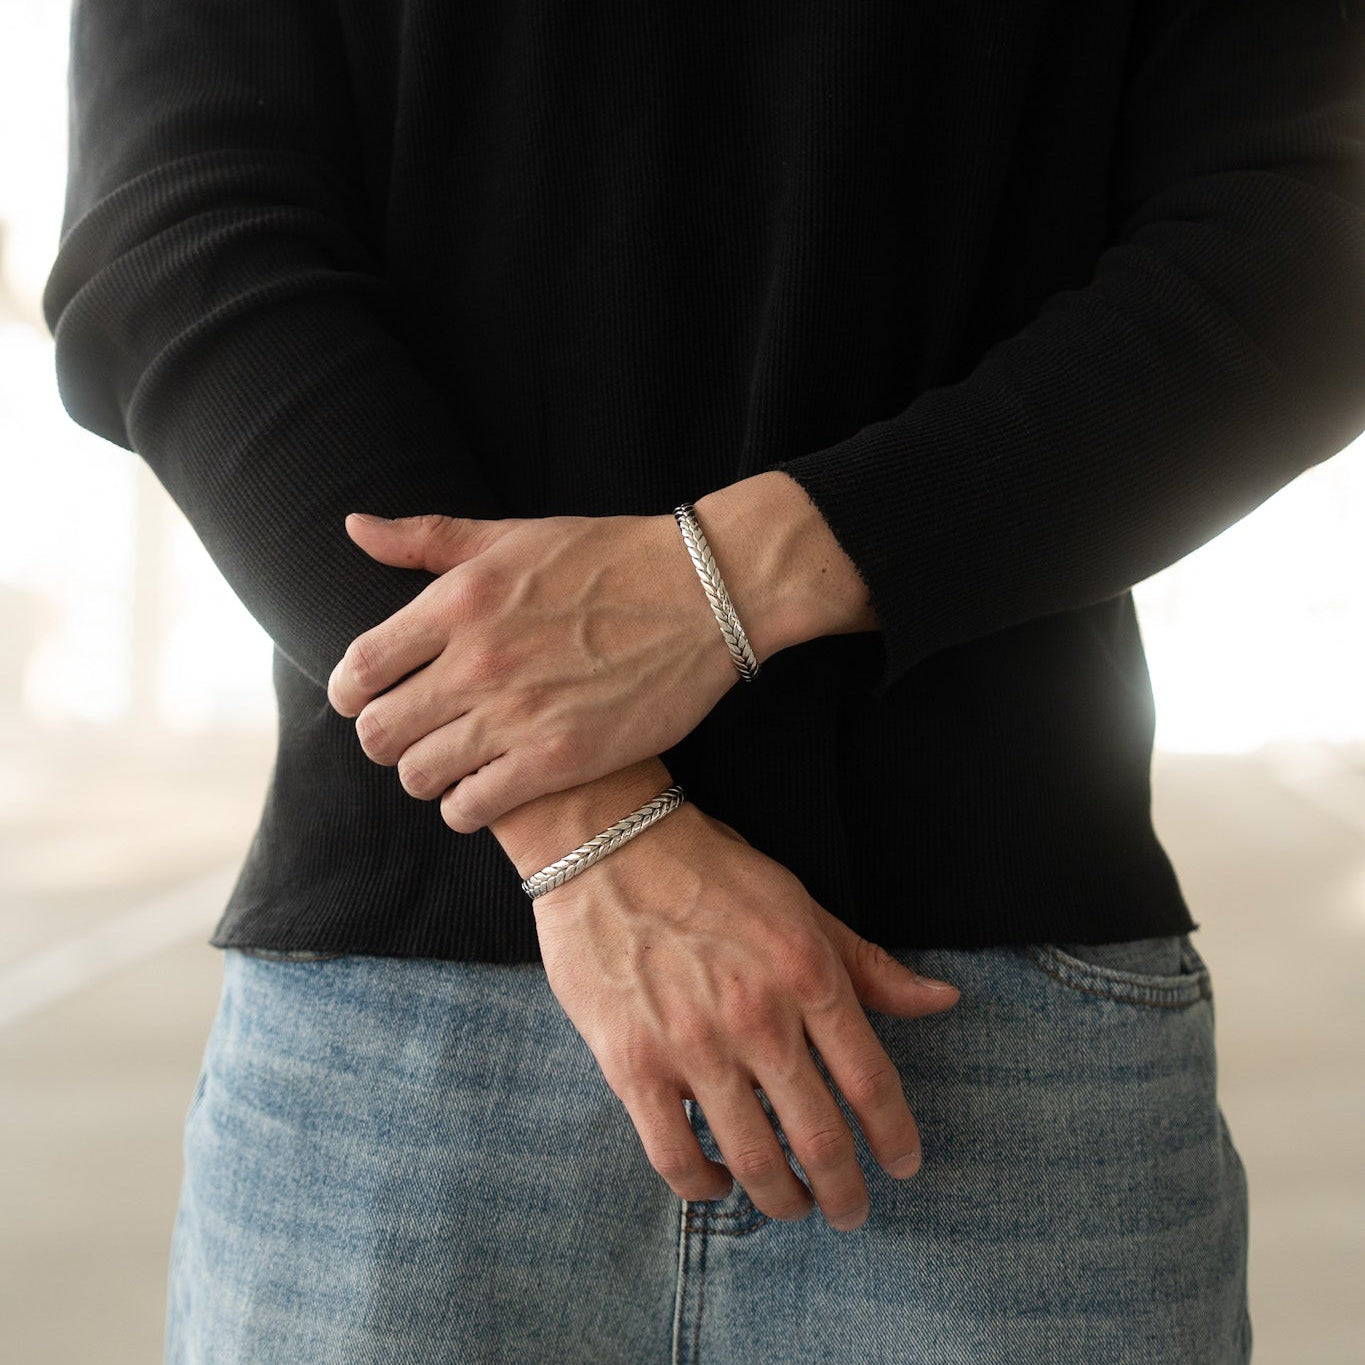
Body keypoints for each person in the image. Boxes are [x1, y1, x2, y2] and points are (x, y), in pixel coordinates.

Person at [43, 1, 1363, 1361]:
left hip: (960, 1024)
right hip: (454, 1015)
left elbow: (1303, 246)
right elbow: (180, 244)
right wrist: (582, 825)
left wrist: (716, 583)